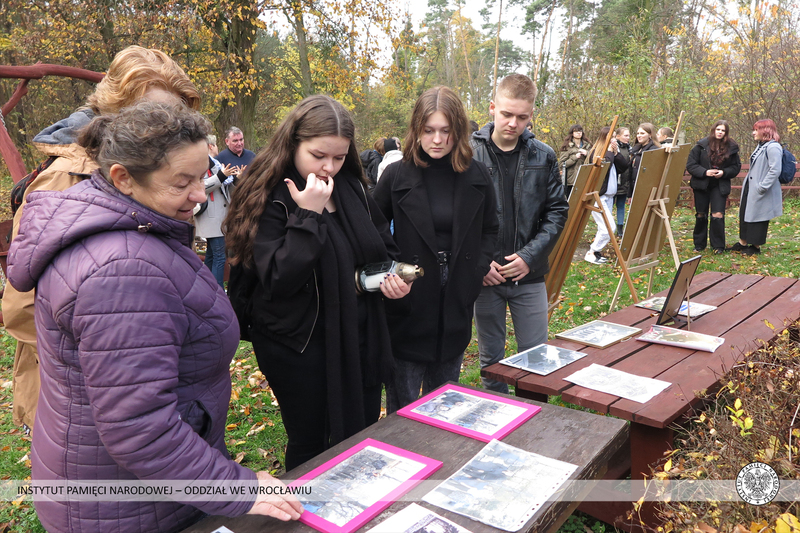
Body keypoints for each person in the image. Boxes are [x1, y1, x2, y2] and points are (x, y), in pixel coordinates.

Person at [6, 102, 304, 533]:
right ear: (123, 178)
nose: (201, 195)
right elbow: (139, 427)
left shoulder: (135, 227)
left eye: (202, 176)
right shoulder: (121, 270)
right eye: (182, 182)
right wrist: (238, 488)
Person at [1, 45, 202, 432]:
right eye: (153, 117)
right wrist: (116, 360)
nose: (168, 130)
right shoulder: (66, 179)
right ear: (113, 113)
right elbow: (21, 307)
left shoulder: (154, 175)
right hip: (83, 409)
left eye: (176, 117)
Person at [224, 95, 410, 470]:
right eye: (318, 155)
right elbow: (278, 278)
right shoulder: (267, 194)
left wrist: (392, 277)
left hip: (358, 335)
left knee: (360, 435)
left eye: (339, 157)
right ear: (293, 143)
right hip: (298, 344)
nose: (328, 168)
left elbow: (382, 247)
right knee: (310, 442)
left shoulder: (352, 188)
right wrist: (307, 215)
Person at [374, 86, 498, 410]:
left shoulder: (477, 175)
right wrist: (391, 271)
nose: (438, 140)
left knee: (445, 406)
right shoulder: (396, 175)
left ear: (458, 130)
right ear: (417, 130)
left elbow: (490, 228)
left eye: (446, 131)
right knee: (403, 408)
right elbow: (372, 228)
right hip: (408, 306)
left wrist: (476, 272)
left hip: (456, 303)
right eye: (429, 131)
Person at [470, 74, 568, 394]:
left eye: (522, 117)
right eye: (506, 114)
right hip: (486, 278)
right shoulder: (467, 154)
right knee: (491, 362)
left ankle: (536, 429)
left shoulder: (544, 155)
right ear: (492, 108)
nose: (513, 123)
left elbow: (557, 212)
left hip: (529, 277)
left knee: (536, 362)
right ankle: (496, 426)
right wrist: (479, 262)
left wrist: (529, 256)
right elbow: (458, 218)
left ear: (531, 115)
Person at [686, 120, 741, 254]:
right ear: (713, 130)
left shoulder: (732, 148)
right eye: (718, 130)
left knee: (718, 215)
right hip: (702, 184)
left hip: (720, 185)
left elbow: (736, 167)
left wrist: (724, 173)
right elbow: (691, 165)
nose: (720, 132)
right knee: (701, 214)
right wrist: (705, 172)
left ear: (726, 133)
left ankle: (718, 246)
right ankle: (699, 244)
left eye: (723, 130)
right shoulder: (701, 146)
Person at [731, 119, 783, 256]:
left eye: (756, 130)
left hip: (761, 188)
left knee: (759, 216)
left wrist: (762, 187)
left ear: (765, 131)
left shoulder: (773, 147)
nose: (753, 133)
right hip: (752, 186)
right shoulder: (761, 145)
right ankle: (743, 243)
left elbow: (775, 170)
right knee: (745, 213)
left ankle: (755, 246)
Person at [195, 135, 238, 287]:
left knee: (212, 256)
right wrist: (221, 176)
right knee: (220, 257)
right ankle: (217, 290)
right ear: (211, 147)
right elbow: (200, 186)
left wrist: (235, 179)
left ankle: (205, 286)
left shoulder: (215, 164)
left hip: (219, 218)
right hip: (211, 218)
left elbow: (225, 190)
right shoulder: (201, 165)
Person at [583, 127, 630, 264]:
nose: (614, 140)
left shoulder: (610, 153)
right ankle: (591, 251)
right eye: (612, 137)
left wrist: (616, 153)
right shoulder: (598, 153)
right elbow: (605, 166)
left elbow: (623, 167)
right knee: (609, 227)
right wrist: (610, 152)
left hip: (609, 197)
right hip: (598, 196)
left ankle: (596, 252)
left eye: (615, 137)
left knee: (603, 227)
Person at [558, 124, 593, 198]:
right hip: (571, 180)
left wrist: (587, 153)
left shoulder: (588, 145)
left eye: (580, 131)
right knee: (571, 201)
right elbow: (562, 164)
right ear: (572, 133)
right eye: (576, 131)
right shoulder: (567, 146)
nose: (579, 133)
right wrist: (574, 157)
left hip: (585, 177)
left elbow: (595, 159)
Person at [629, 123, 661, 193]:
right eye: (638, 133)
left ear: (650, 135)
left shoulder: (654, 150)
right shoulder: (636, 149)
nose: (639, 136)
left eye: (642, 133)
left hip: (646, 189)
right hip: (635, 187)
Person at [613, 127, 633, 235]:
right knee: (609, 206)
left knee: (621, 205)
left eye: (629, 135)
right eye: (625, 135)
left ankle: (620, 227)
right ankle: (608, 227)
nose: (628, 138)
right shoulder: (613, 147)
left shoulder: (630, 149)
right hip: (614, 182)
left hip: (625, 182)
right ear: (618, 136)